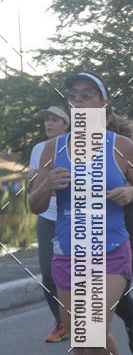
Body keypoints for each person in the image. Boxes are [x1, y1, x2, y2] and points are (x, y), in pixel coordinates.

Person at [29, 71, 133, 355]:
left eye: (88, 94)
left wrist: (131, 195)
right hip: (68, 253)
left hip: (112, 250)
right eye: (74, 95)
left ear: (104, 106)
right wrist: (47, 185)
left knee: (91, 330)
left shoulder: (122, 146)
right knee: (79, 340)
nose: (80, 99)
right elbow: (34, 205)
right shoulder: (54, 149)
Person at [27, 106, 70, 342]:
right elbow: (35, 184)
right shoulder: (38, 149)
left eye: (55, 120)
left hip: (73, 217)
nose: (49, 124)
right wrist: (34, 180)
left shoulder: (76, 148)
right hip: (47, 217)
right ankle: (61, 323)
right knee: (47, 272)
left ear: (67, 124)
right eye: (47, 121)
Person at [107, 108, 133, 354]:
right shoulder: (71, 152)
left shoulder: (124, 151)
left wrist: (129, 191)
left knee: (118, 295)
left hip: (123, 233)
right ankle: (94, 352)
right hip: (82, 237)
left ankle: (132, 324)